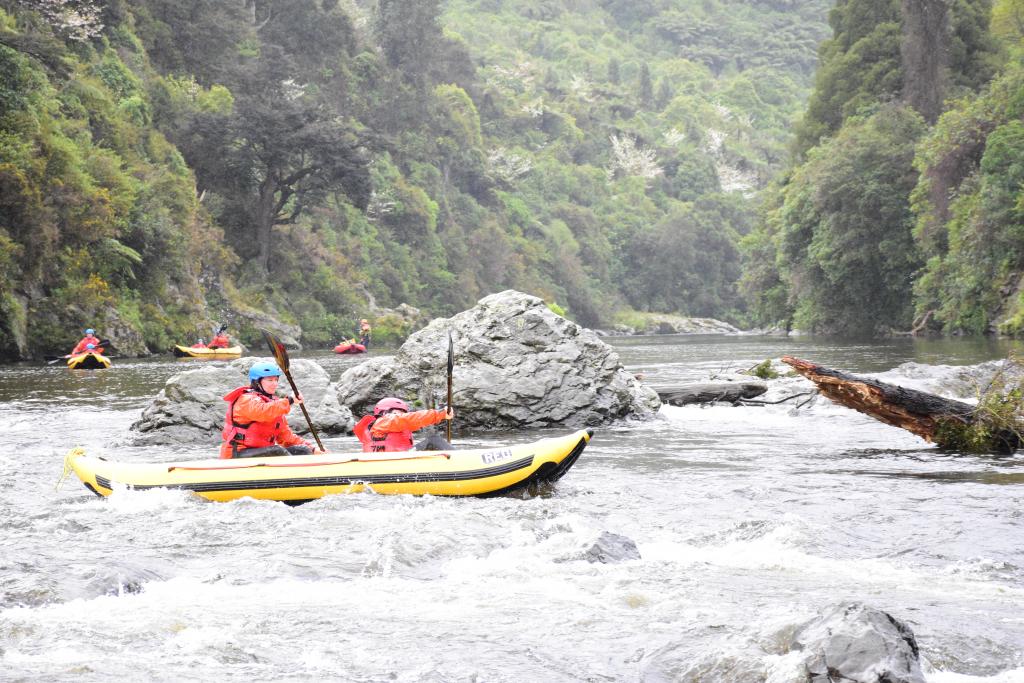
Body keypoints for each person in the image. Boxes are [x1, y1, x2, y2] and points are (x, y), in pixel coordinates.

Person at [219, 361, 323, 459]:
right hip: (237, 453)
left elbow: (286, 437)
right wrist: (290, 400)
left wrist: (313, 449)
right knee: (277, 451)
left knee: (302, 450)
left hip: (261, 452)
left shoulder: (274, 404)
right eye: (270, 380)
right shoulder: (246, 400)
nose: (274, 384)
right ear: (257, 382)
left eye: (276, 380)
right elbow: (262, 412)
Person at [353, 397, 454, 452]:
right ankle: (457, 460)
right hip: (392, 464)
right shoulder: (382, 422)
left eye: (403, 412)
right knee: (433, 441)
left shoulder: (388, 425)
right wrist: (440, 413)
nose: (401, 414)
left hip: (395, 462)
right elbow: (411, 419)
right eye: (397, 411)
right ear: (383, 412)